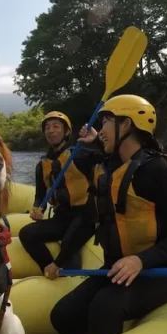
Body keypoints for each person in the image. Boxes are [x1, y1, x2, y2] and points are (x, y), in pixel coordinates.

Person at [47, 94, 167, 334]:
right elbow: (87, 221)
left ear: (125, 124)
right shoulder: (107, 170)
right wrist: (58, 261)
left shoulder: (160, 173)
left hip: (158, 271)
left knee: (105, 307)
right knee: (62, 316)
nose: (100, 131)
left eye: (105, 123)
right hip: (115, 268)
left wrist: (141, 260)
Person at [18, 111, 99, 277]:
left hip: (86, 215)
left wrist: (96, 141)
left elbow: (109, 158)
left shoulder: (81, 154)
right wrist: (37, 208)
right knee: (26, 233)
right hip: (62, 216)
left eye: (56, 126)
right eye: (47, 127)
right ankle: (49, 269)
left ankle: (69, 274)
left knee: (69, 244)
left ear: (67, 132)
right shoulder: (42, 165)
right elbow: (40, 194)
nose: (51, 130)